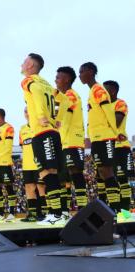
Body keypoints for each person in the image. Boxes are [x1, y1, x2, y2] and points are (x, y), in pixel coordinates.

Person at [21, 53, 64, 225]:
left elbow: (37, 93)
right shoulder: (46, 82)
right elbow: (64, 99)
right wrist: (57, 118)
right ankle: (57, 214)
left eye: (24, 62)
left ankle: (57, 214)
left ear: (31, 65)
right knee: (50, 174)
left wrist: (40, 115)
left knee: (47, 174)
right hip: (52, 131)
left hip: (41, 132)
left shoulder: (28, 81)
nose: (21, 64)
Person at [79, 62, 122, 212]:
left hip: (105, 137)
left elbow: (109, 112)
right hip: (96, 138)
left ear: (90, 72)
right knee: (101, 173)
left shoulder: (98, 90)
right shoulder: (92, 91)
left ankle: (117, 209)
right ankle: (107, 209)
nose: (79, 75)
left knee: (107, 172)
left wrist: (114, 133)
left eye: (82, 72)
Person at [55, 66, 87, 213]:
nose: (56, 80)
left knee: (75, 173)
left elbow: (64, 121)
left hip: (72, 141)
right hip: (65, 142)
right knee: (63, 178)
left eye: (58, 77)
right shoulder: (65, 96)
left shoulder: (70, 95)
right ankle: (64, 211)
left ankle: (82, 209)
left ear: (67, 79)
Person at [104, 80, 133, 215]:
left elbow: (115, 122)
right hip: (108, 145)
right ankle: (114, 209)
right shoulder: (104, 106)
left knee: (122, 178)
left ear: (113, 91)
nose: (103, 93)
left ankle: (125, 210)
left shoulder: (120, 104)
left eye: (106, 90)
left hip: (121, 147)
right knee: (111, 178)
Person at [19, 108, 46, 222]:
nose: (27, 113)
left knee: (41, 188)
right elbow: (22, 145)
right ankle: (32, 214)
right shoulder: (22, 129)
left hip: (39, 163)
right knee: (29, 188)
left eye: (29, 111)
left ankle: (42, 214)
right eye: (25, 111)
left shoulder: (39, 125)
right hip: (27, 164)